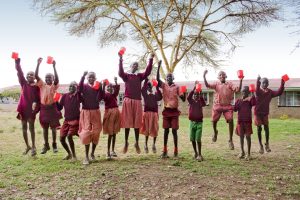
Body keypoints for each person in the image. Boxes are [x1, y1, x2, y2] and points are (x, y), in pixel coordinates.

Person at [118, 52, 154, 154]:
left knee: (137, 123)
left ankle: (137, 143)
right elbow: (120, 72)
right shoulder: (126, 76)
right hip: (128, 101)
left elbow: (147, 72)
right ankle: (126, 143)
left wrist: (150, 59)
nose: (135, 66)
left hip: (137, 101)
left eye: (137, 65)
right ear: (130, 66)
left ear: (137, 68)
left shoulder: (139, 76)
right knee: (127, 122)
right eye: (134, 64)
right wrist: (120, 59)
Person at [203, 70, 243, 150]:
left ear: (226, 76)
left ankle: (230, 140)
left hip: (227, 106)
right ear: (218, 77)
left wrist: (241, 80)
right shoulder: (216, 84)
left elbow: (238, 89)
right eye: (220, 75)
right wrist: (204, 77)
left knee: (231, 120)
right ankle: (215, 132)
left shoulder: (230, 84)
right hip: (217, 105)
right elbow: (207, 85)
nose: (222, 76)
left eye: (223, 74)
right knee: (214, 121)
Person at [157, 64, 186, 158]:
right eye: (167, 77)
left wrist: (183, 95)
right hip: (166, 111)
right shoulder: (164, 86)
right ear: (166, 78)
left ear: (173, 78)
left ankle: (176, 151)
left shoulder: (177, 87)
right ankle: (165, 151)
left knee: (174, 131)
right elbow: (157, 79)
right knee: (166, 131)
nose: (169, 78)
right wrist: (158, 67)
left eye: (170, 76)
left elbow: (183, 99)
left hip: (174, 112)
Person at [35, 58, 62, 154]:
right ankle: (46, 145)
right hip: (44, 109)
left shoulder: (54, 86)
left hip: (52, 109)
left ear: (53, 79)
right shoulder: (42, 85)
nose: (47, 79)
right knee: (45, 129)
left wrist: (54, 67)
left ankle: (54, 144)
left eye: (49, 77)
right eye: (46, 77)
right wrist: (38, 64)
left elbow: (57, 79)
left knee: (54, 129)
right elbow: (36, 76)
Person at [14, 58, 40, 156]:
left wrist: (36, 104)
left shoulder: (37, 87)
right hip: (22, 109)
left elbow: (39, 99)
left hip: (31, 111)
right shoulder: (24, 84)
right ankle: (27, 146)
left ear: (34, 77)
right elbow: (20, 73)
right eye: (28, 74)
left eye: (31, 74)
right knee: (24, 128)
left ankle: (33, 147)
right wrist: (17, 63)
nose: (29, 75)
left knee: (31, 128)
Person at [78, 71, 103, 165]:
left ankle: (92, 153)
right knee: (86, 133)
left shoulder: (97, 87)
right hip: (86, 112)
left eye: (93, 77)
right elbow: (79, 89)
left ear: (95, 78)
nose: (91, 79)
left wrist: (101, 88)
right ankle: (86, 157)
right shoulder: (84, 86)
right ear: (87, 78)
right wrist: (82, 76)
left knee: (96, 132)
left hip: (95, 111)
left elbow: (100, 98)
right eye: (89, 77)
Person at [255, 75, 285, 154]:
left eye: (266, 83)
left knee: (266, 128)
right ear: (261, 84)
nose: (264, 84)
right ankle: (260, 145)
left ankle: (267, 144)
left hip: (265, 113)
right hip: (257, 113)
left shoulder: (270, 92)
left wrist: (282, 83)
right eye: (263, 83)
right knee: (259, 129)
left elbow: (279, 92)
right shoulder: (258, 91)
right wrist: (257, 81)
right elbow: (257, 90)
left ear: (268, 84)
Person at [57, 81, 81, 161]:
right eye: (70, 86)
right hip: (66, 121)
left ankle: (74, 156)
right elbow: (59, 108)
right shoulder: (64, 96)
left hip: (75, 120)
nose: (71, 88)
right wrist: (55, 101)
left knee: (69, 136)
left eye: (73, 86)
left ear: (76, 88)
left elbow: (81, 95)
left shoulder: (78, 96)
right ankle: (69, 154)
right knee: (61, 138)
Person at [140, 73, 162, 154]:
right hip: (147, 114)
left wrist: (156, 87)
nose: (149, 88)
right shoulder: (145, 95)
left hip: (154, 114)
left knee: (155, 129)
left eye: (150, 86)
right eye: (148, 87)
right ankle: (145, 145)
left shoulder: (155, 95)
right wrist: (146, 80)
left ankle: (153, 145)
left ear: (152, 87)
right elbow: (142, 89)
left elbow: (160, 97)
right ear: (146, 87)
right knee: (147, 129)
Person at [234, 86, 256, 160]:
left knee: (248, 137)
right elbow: (235, 109)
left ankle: (249, 154)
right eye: (243, 91)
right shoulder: (238, 101)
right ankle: (242, 152)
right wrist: (233, 104)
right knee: (241, 137)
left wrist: (253, 95)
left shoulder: (250, 100)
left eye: (246, 91)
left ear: (248, 93)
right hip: (240, 122)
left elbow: (254, 103)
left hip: (247, 122)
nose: (244, 93)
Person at [102, 77, 121, 160]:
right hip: (109, 113)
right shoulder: (105, 95)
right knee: (110, 133)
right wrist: (103, 86)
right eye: (108, 87)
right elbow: (102, 95)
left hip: (116, 113)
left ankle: (113, 150)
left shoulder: (114, 95)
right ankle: (108, 152)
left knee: (114, 133)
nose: (109, 88)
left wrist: (116, 82)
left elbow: (117, 90)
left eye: (111, 87)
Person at [187, 82, 206, 161]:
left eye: (196, 95)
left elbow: (204, 104)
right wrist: (194, 88)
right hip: (192, 123)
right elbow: (188, 97)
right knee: (192, 139)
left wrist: (201, 94)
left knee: (198, 139)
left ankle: (200, 154)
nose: (195, 96)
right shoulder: (191, 102)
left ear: (198, 96)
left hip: (199, 123)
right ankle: (195, 153)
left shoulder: (200, 102)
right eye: (194, 95)